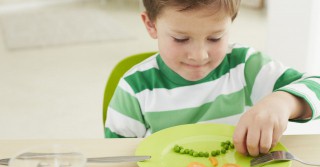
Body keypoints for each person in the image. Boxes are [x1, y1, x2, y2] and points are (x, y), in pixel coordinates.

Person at [105, 0, 320, 156]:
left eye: (215, 38)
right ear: (151, 25)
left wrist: (284, 102)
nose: (199, 55)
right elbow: (116, 158)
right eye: (180, 39)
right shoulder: (134, 88)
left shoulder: (246, 67)